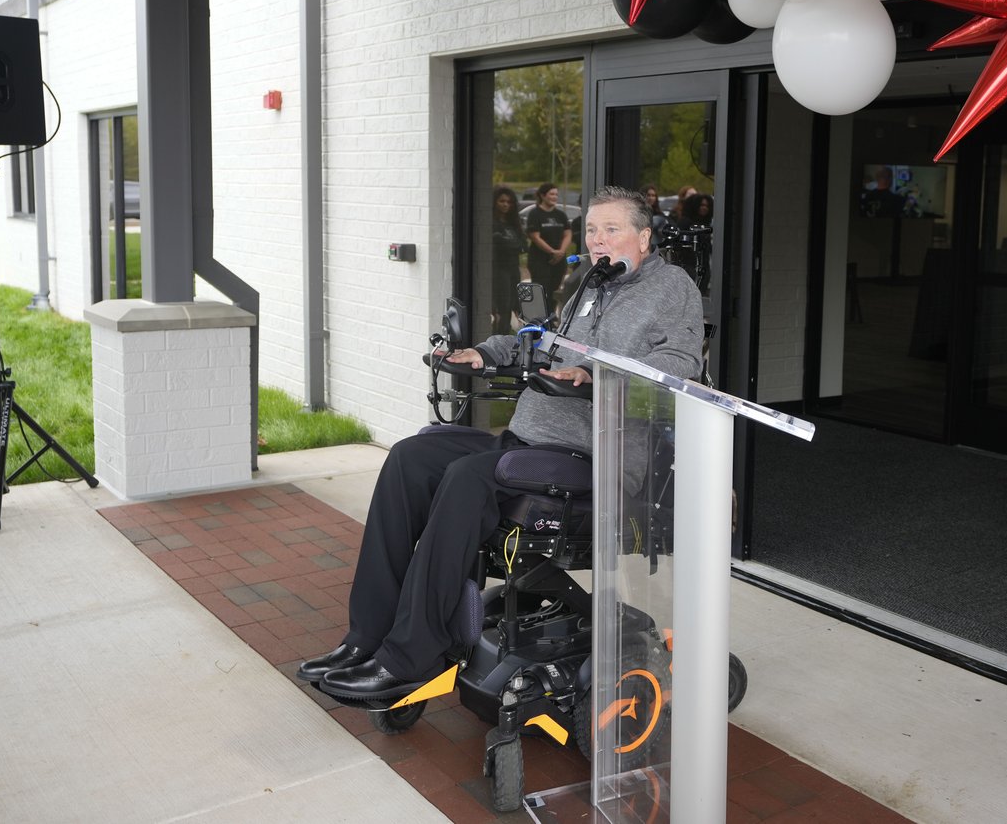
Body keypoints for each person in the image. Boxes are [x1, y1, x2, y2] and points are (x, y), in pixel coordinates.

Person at [299, 187, 705, 700]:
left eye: (612, 230)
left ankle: (409, 658)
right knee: (410, 457)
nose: (598, 240)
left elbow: (681, 367)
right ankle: (366, 637)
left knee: (467, 478)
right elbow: (542, 341)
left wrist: (592, 372)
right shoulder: (589, 287)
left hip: (591, 456)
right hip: (528, 441)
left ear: (644, 237)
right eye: (592, 230)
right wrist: (484, 354)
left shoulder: (671, 288)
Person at [525, 182, 572, 313]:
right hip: (540, 260)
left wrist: (561, 252)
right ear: (542, 195)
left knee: (554, 291)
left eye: (556, 194)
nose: (555, 197)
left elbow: (568, 234)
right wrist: (552, 252)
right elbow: (535, 236)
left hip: (559, 261)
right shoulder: (535, 214)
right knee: (541, 291)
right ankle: (539, 319)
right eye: (551, 194)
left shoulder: (560, 215)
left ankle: (551, 317)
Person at [490, 186, 525, 335]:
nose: (505, 205)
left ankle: (505, 334)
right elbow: (496, 245)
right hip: (498, 268)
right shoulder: (491, 223)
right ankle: (499, 335)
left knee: (513, 303)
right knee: (502, 305)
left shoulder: (513, 224)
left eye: (509, 202)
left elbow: (523, 245)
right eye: (502, 201)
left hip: (513, 268)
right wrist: (510, 244)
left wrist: (507, 243)